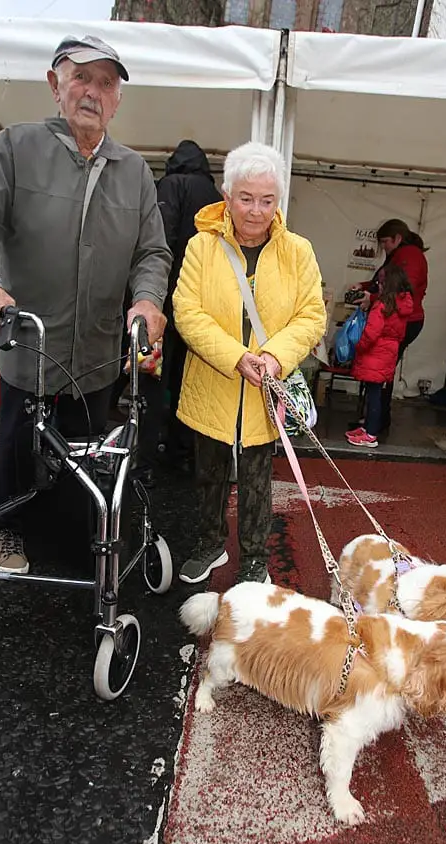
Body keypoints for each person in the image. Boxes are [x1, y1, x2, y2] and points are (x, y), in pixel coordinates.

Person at [0, 34, 171, 575]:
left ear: (118, 99)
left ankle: (68, 538)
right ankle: (9, 530)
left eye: (107, 83)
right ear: (55, 85)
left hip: (95, 353)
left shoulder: (133, 171)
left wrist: (147, 299)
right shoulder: (16, 147)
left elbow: (152, 251)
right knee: (20, 448)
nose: (93, 92)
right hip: (29, 342)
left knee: (85, 457)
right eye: (81, 78)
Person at [173, 141, 326, 585]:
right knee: (209, 472)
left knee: (259, 478)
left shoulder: (298, 251)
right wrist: (236, 357)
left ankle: (256, 558)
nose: (256, 211)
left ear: (279, 200)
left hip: (266, 387)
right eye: (245, 198)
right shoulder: (202, 247)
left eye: (267, 200)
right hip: (214, 381)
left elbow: (311, 315)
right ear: (226, 195)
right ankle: (210, 544)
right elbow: (188, 312)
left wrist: (275, 358)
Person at [108, 139, 222, 472]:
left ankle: (143, 459)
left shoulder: (170, 187)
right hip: (200, 306)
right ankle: (181, 453)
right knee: (187, 381)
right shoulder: (216, 198)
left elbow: (160, 240)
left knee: (152, 377)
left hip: (163, 299)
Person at [350, 218, 428, 431]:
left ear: (398, 238)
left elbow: (401, 291)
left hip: (401, 321)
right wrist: (367, 286)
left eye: (385, 242)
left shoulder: (409, 256)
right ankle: (375, 420)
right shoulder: (406, 255)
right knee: (383, 371)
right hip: (403, 320)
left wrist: (372, 298)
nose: (383, 247)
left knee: (380, 373)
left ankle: (375, 422)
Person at [345, 264, 414, 449]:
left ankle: (371, 434)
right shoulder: (403, 307)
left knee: (373, 395)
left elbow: (371, 333)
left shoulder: (382, 306)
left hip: (375, 353)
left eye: (380, 283)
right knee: (375, 393)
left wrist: (359, 347)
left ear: (387, 285)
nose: (378, 287)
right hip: (389, 352)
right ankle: (367, 428)